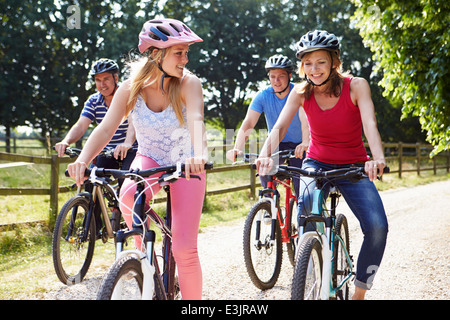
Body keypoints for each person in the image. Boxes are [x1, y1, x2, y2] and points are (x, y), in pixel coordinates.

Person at [67, 18, 207, 300]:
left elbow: (196, 120)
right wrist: (83, 159)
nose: (185, 58)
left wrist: (199, 154)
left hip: (186, 162)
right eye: (178, 52)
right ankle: (144, 262)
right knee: (128, 194)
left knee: (184, 249)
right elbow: (106, 128)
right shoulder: (130, 87)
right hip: (150, 158)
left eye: (186, 52)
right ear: (156, 54)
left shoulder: (189, 83)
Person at [255, 30, 388, 300]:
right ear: (302, 66)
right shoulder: (301, 92)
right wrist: (264, 154)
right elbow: (279, 128)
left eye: (321, 62)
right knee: (306, 211)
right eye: (308, 63)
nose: (314, 69)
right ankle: (312, 268)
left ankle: (360, 292)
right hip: (316, 163)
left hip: (354, 166)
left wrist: (377, 158)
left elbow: (369, 124)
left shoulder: (356, 85)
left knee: (377, 227)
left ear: (334, 62)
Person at [226, 54, 309, 197]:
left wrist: (305, 142)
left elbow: (305, 121)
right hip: (276, 143)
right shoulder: (263, 96)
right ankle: (269, 203)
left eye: (281, 76)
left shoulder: (298, 93)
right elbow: (249, 123)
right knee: (263, 168)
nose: (276, 81)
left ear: (289, 75)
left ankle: (303, 212)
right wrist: (237, 148)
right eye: (272, 76)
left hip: (299, 145)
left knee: (300, 183)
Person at [54, 58, 137, 169]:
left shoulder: (128, 95)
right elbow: (81, 125)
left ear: (115, 78)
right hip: (106, 151)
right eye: (98, 80)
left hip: (129, 149)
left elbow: (134, 122)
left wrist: (127, 143)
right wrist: (66, 141)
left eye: (106, 79)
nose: (102, 84)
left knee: (127, 180)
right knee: (91, 178)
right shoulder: (93, 101)